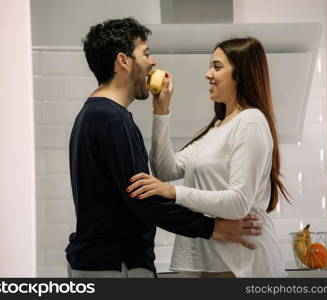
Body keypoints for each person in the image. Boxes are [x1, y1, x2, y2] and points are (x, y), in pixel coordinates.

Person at [65, 18, 262, 278]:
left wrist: (161, 110)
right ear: (124, 61)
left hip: (101, 262)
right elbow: (145, 199)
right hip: (116, 264)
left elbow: (161, 174)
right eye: (145, 53)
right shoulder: (111, 118)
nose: (152, 62)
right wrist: (213, 228)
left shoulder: (95, 112)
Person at [127, 37, 290, 277]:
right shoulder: (217, 128)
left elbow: (238, 203)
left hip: (244, 264)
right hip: (214, 263)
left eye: (217, 66)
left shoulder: (251, 122)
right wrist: (161, 110)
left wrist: (172, 192)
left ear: (240, 73)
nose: (207, 74)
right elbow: (165, 169)